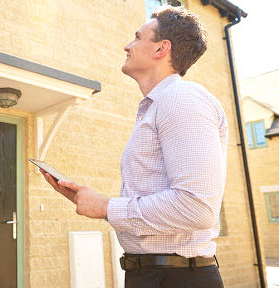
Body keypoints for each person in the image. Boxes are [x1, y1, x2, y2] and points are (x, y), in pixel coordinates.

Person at [40, 4, 228, 288]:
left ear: (160, 49)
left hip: (178, 278)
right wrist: (89, 201)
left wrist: (106, 206)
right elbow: (155, 214)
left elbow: (197, 207)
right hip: (151, 274)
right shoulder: (158, 106)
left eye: (137, 37)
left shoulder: (182, 99)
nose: (127, 46)